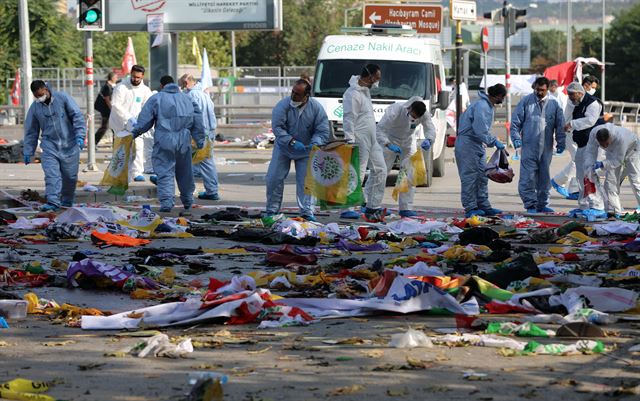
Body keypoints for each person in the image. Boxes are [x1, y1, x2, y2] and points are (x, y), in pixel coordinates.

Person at [130, 75, 205, 213]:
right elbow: (198, 121)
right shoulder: (187, 98)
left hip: (164, 139)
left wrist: (134, 133)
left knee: (164, 172)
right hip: (184, 139)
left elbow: (145, 121)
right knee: (185, 172)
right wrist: (200, 140)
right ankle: (188, 201)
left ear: (162, 85)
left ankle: (167, 202)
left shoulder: (156, 98)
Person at [264, 79, 330, 221]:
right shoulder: (282, 106)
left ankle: (307, 212)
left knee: (306, 182)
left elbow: (322, 130)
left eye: (298, 94)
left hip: (306, 150)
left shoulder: (316, 108)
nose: (293, 96)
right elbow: (278, 128)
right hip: (284, 148)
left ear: (306, 96)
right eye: (293, 92)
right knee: (273, 178)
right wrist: (291, 141)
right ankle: (272, 210)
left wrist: (315, 142)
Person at [23, 80, 86, 211]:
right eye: (37, 96)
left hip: (70, 144)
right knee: (52, 175)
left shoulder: (62, 98)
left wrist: (80, 135)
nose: (40, 98)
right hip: (49, 146)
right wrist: (28, 151)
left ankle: (67, 201)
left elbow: (77, 116)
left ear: (46, 89)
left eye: (41, 94)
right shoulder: (35, 108)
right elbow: (31, 130)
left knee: (70, 177)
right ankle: (53, 201)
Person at [373, 96, 436, 217]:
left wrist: (429, 139)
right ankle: (373, 205)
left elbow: (430, 128)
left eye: (416, 118)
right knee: (381, 172)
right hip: (389, 139)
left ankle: (405, 207)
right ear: (409, 108)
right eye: (412, 115)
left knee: (408, 173)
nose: (413, 119)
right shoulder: (395, 110)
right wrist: (387, 144)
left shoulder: (424, 114)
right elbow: (380, 129)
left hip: (408, 141)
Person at [511, 77, 565, 213]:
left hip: (546, 148)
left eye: (542, 90)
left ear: (548, 89)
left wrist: (561, 141)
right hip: (529, 146)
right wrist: (516, 139)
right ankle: (530, 204)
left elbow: (560, 125)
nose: (539, 92)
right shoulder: (526, 102)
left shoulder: (554, 104)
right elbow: (515, 123)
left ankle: (542, 203)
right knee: (527, 177)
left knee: (544, 177)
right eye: (537, 89)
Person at [341, 64, 387, 222]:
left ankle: (372, 205)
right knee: (358, 172)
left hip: (371, 137)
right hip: (359, 138)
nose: (378, 82)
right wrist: (350, 140)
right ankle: (348, 208)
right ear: (371, 76)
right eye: (377, 78)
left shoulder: (365, 91)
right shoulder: (352, 94)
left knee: (380, 169)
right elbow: (349, 117)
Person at [454, 83, 507, 218]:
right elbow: (480, 129)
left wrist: (491, 141)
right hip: (467, 144)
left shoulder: (486, 106)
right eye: (503, 97)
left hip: (477, 143)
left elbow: (482, 131)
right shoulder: (482, 106)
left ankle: (483, 204)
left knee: (483, 176)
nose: (503, 100)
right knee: (470, 177)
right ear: (499, 95)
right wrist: (494, 141)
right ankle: (470, 207)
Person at [563, 81, 607, 218]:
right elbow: (567, 116)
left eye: (571, 95)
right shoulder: (576, 103)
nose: (569, 97)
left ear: (579, 93)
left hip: (592, 145)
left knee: (590, 176)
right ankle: (583, 205)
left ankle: (597, 206)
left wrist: (572, 124)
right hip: (582, 144)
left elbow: (590, 121)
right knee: (580, 176)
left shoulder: (593, 103)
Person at [179, 74, 220, 201]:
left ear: (186, 83)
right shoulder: (204, 95)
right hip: (209, 132)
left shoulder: (191, 95)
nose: (181, 88)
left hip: (199, 133)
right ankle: (211, 190)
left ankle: (208, 191)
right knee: (205, 161)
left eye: (181, 84)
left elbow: (191, 116)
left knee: (196, 161)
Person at [584, 123, 640, 216]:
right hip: (612, 151)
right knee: (610, 182)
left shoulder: (621, 139)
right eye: (602, 145)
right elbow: (590, 151)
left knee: (635, 181)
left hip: (633, 150)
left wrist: (602, 164)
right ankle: (615, 212)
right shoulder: (594, 133)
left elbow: (618, 160)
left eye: (606, 143)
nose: (604, 146)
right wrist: (589, 166)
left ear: (610, 137)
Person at [110, 64, 153, 182]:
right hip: (120, 124)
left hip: (137, 125)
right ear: (131, 73)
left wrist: (141, 121)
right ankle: (118, 173)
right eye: (134, 76)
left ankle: (136, 172)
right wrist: (129, 118)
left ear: (142, 76)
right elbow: (116, 105)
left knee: (138, 147)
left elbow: (147, 106)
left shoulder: (145, 90)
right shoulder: (121, 87)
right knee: (121, 149)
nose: (135, 79)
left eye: (138, 77)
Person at [94, 72, 118, 145]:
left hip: (107, 110)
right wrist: (112, 109)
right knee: (105, 127)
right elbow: (107, 99)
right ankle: (94, 142)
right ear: (112, 78)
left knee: (112, 127)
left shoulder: (110, 86)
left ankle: (115, 144)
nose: (117, 79)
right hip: (106, 110)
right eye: (116, 77)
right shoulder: (107, 87)